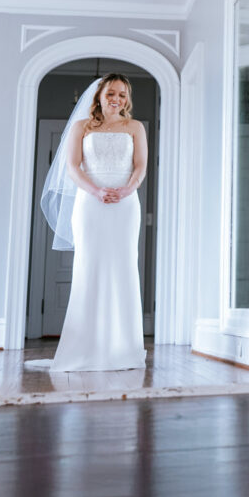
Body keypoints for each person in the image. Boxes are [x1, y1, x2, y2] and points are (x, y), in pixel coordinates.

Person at [32, 73, 149, 372]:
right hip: (90, 204)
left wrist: (127, 189)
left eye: (123, 94)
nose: (117, 99)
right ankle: (85, 347)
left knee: (123, 268)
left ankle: (124, 348)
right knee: (90, 268)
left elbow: (140, 166)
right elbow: (72, 167)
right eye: (111, 92)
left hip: (125, 206)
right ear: (99, 95)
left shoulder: (134, 127)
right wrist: (96, 190)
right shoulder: (81, 127)